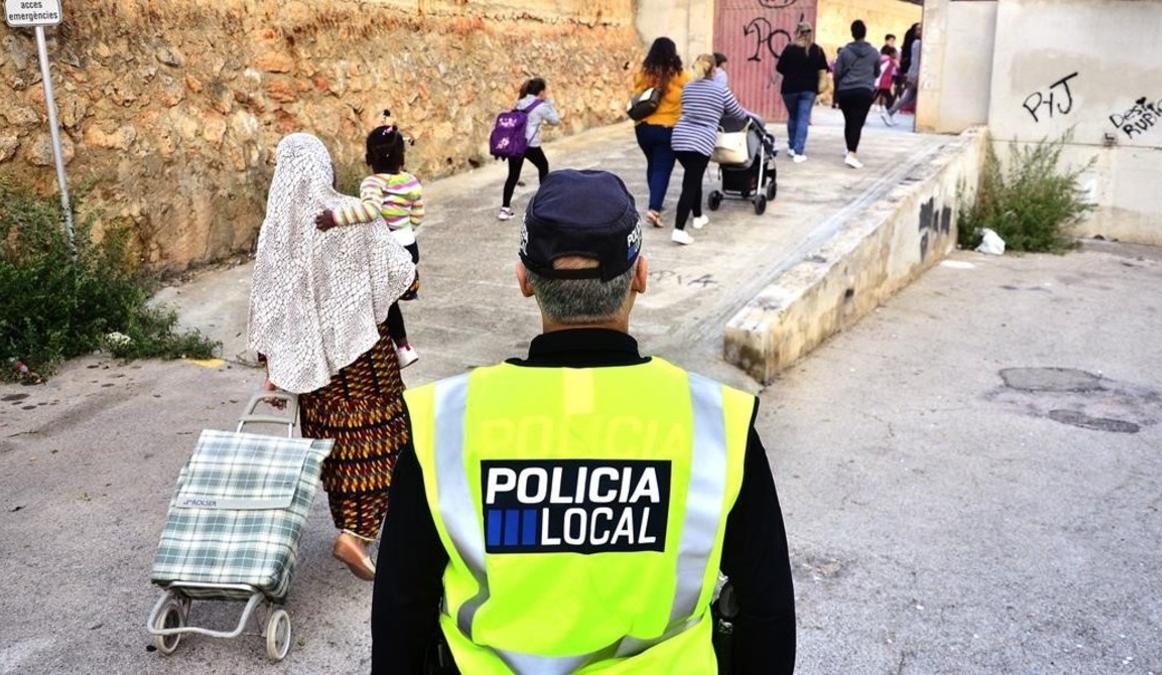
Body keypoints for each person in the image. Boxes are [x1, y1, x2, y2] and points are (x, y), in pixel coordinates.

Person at [371, 169, 796, 674]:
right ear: (640, 274)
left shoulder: (445, 423)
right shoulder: (716, 423)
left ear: (524, 280)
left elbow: (401, 610)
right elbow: (768, 611)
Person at [248, 133, 416, 581]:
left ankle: (351, 529)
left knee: (336, 447)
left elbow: (269, 301)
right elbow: (401, 274)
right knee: (385, 439)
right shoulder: (350, 215)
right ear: (324, 168)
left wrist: (274, 363)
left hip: (315, 369)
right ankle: (356, 535)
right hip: (364, 360)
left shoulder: (275, 232)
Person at [316, 111, 425, 368]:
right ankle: (403, 342)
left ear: (368, 158)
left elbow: (370, 211)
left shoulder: (372, 183)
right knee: (389, 297)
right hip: (409, 245)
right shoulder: (411, 182)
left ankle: (399, 346)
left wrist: (336, 218)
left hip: (386, 247)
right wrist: (404, 229)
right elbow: (418, 214)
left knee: (382, 299)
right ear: (402, 156)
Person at [670, 55, 749, 246]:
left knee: (693, 177)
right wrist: (747, 118)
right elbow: (738, 112)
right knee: (690, 184)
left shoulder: (688, 87)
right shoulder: (721, 90)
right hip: (700, 142)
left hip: (679, 139)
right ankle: (679, 229)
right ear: (714, 70)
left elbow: (688, 108)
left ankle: (697, 216)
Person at [632, 37, 688, 229]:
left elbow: (635, 94)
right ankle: (654, 208)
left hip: (643, 128)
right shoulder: (679, 75)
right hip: (667, 129)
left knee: (653, 165)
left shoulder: (644, 73)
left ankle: (656, 199)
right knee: (662, 169)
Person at [498, 77, 561, 221]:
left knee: (513, 175)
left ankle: (505, 209)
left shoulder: (520, 102)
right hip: (530, 145)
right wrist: (549, 104)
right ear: (541, 92)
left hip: (515, 143)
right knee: (543, 166)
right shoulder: (541, 105)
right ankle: (544, 204)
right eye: (545, 91)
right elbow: (555, 121)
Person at [774, 20, 827, 163]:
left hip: (789, 89)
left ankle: (791, 147)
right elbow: (822, 69)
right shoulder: (817, 50)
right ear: (810, 32)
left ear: (798, 32)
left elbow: (780, 68)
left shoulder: (789, 48)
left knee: (793, 117)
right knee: (803, 119)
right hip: (809, 89)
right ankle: (798, 152)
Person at [833, 19, 880, 169]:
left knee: (849, 121)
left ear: (852, 33)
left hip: (845, 91)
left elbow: (837, 72)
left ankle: (849, 148)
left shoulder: (845, 52)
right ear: (865, 33)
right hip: (864, 91)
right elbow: (877, 72)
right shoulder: (873, 52)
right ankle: (852, 153)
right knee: (857, 123)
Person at [884, 23, 922, 125]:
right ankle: (889, 112)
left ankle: (889, 112)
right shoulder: (918, 43)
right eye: (918, 29)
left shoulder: (916, 43)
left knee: (907, 98)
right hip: (916, 74)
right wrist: (915, 76)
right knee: (909, 98)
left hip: (914, 74)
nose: (920, 31)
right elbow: (916, 61)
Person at [875, 44, 899, 112]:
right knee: (890, 99)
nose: (896, 54)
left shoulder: (881, 58)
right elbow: (898, 68)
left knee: (874, 97)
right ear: (891, 53)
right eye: (895, 53)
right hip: (884, 82)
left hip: (879, 82)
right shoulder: (890, 60)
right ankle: (888, 113)